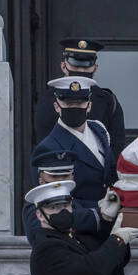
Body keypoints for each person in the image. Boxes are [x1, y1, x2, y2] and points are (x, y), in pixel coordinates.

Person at [31, 76, 117, 207]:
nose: (74, 107)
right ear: (57, 106)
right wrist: (99, 211)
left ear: (89, 105)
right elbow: (53, 202)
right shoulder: (48, 148)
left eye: (80, 103)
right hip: (83, 223)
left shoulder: (99, 129)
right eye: (68, 103)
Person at [34, 39, 125, 153]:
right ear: (63, 66)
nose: (81, 70)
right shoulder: (49, 99)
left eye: (86, 66)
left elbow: (117, 144)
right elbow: (43, 142)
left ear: (95, 68)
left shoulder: (108, 100)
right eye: (76, 66)